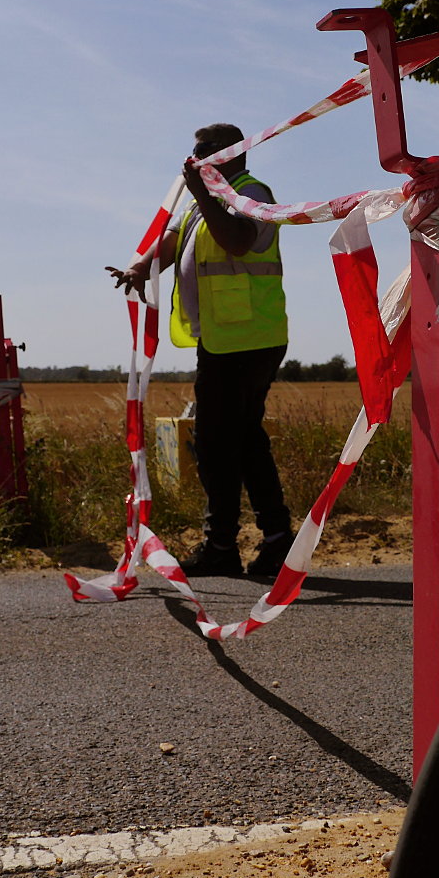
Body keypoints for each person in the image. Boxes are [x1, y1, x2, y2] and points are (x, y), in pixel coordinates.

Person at [107, 123, 293, 577]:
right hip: (226, 337)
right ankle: (274, 540)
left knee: (215, 444)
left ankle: (223, 547)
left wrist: (204, 194)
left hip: (248, 338)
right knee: (243, 439)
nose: (192, 159)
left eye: (203, 150)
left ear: (228, 154)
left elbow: (238, 241)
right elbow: (171, 245)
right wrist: (140, 268)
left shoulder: (252, 193)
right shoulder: (198, 203)